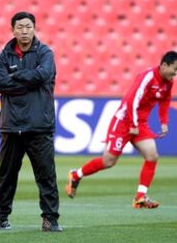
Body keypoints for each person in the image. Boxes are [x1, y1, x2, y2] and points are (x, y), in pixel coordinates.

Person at [0, 12, 62, 232]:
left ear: (35, 28)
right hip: (11, 125)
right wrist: (27, 79)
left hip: (38, 125)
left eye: (29, 27)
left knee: (46, 175)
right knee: (6, 176)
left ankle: (50, 219)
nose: (25, 31)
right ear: (13, 30)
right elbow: (0, 83)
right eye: (20, 27)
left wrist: (16, 77)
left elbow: (43, 75)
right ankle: (1, 217)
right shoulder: (4, 55)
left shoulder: (45, 53)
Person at [66, 51, 177, 209]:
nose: (175, 73)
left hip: (140, 123)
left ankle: (140, 197)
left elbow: (165, 100)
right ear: (164, 65)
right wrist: (133, 125)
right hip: (124, 121)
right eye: (175, 69)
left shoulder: (168, 82)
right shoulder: (147, 76)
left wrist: (164, 122)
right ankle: (76, 175)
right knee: (108, 161)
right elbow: (132, 100)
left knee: (152, 155)